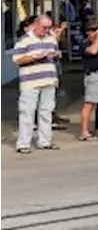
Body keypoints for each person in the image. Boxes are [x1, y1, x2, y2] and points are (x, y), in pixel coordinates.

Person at [11, 14, 62, 153]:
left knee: (46, 112)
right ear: (36, 25)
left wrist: (56, 55)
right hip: (30, 82)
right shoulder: (24, 40)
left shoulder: (51, 39)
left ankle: (44, 141)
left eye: (48, 27)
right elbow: (17, 60)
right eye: (44, 27)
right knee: (27, 112)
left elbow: (54, 58)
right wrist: (35, 56)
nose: (46, 30)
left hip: (48, 80)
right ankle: (23, 144)